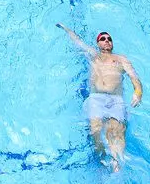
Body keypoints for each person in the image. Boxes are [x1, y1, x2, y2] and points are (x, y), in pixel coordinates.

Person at [61, 25, 144, 170]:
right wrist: (65, 29)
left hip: (116, 100)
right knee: (96, 129)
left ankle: (117, 163)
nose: (107, 41)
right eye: (103, 39)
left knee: (116, 131)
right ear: (98, 43)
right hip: (96, 98)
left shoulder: (121, 59)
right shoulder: (93, 55)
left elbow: (134, 77)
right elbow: (77, 41)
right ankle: (101, 159)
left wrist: (138, 92)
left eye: (109, 39)